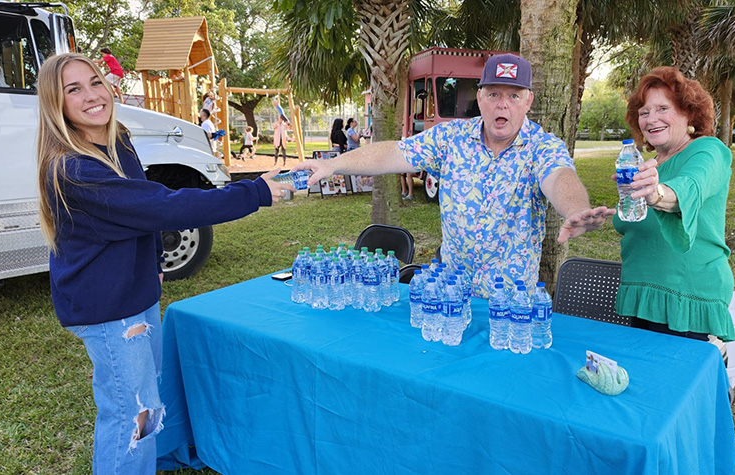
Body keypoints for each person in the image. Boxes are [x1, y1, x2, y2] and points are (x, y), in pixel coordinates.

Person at [35, 53, 292, 474]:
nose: (92, 95)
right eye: (73, 89)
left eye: (95, 82)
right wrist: (254, 192)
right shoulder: (73, 168)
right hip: (109, 308)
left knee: (145, 404)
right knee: (131, 415)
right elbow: (161, 206)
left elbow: (142, 204)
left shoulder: (115, 138)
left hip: (136, 294)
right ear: (55, 104)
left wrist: (153, 259)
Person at [293, 53, 613, 297]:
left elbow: (560, 178)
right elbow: (393, 152)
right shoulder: (451, 138)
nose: (503, 105)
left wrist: (576, 210)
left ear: (527, 101)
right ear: (480, 96)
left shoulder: (542, 147)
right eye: (494, 94)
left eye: (514, 95)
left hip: (508, 306)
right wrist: (334, 165)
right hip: (449, 297)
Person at [616, 66, 735, 343]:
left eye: (662, 109)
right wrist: (600, 216)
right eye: (644, 112)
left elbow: (689, 188)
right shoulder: (650, 165)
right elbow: (641, 218)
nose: (650, 119)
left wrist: (655, 194)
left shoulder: (709, 151)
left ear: (688, 113)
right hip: (643, 294)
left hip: (685, 297)